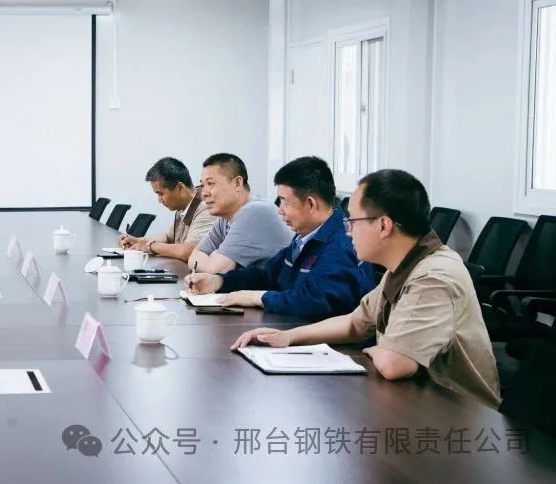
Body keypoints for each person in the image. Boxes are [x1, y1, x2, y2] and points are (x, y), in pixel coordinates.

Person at [232, 169, 501, 408]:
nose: (347, 231)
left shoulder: (434, 276)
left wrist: (379, 350)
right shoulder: (403, 265)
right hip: (416, 401)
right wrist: (288, 337)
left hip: (459, 415)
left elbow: (394, 364)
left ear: (383, 225)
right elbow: (355, 323)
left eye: (352, 222)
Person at [188, 156, 374, 320]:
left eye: (285, 202)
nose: (280, 211)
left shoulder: (342, 243)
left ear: (310, 204)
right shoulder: (304, 237)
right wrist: (220, 281)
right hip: (294, 329)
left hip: (332, 344)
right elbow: (267, 274)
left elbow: (315, 301)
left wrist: (256, 297)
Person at [184, 153, 292, 278]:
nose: (204, 193)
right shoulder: (225, 216)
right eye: (202, 185)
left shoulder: (254, 212)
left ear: (237, 183)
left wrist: (211, 258)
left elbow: (215, 270)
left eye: (210, 183)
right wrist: (210, 260)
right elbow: (194, 256)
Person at [117, 157, 214, 262]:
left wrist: (150, 246)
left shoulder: (206, 208)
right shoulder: (183, 207)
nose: (159, 200)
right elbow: (169, 238)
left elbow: (189, 251)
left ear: (180, 188)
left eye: (161, 194)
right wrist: (139, 241)